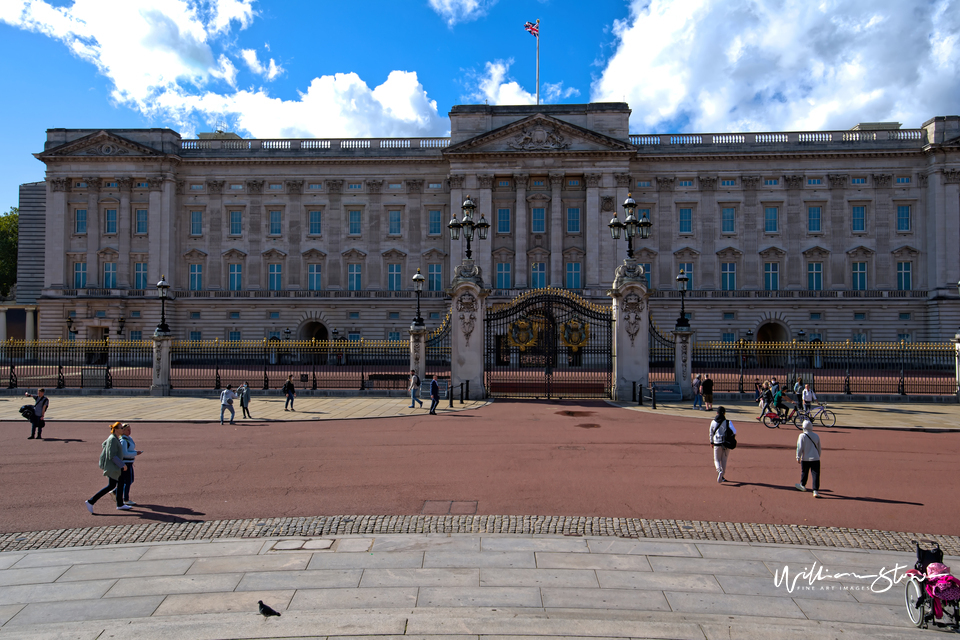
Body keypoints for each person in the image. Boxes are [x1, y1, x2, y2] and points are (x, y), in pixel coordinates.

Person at [85, 422, 131, 512]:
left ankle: (120, 504)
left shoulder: (115, 438)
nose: (123, 429)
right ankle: (91, 501)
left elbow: (104, 445)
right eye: (121, 428)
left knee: (121, 483)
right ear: (116, 429)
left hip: (116, 466)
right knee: (111, 485)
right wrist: (122, 465)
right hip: (114, 467)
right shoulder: (113, 439)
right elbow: (112, 455)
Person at [709, 407, 736, 483]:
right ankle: (723, 476)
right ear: (724, 413)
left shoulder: (713, 422)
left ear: (717, 413)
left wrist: (711, 442)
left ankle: (719, 470)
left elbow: (711, 433)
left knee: (716, 459)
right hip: (726, 443)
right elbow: (734, 431)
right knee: (724, 459)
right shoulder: (728, 422)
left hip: (717, 442)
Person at [795, 419, 822, 497]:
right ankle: (815, 490)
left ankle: (802, 485)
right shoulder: (816, 435)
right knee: (816, 474)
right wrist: (818, 455)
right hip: (816, 458)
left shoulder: (802, 436)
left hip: (806, 458)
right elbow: (819, 448)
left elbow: (799, 447)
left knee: (804, 472)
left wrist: (798, 457)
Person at [118, 423, 142, 506]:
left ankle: (115, 492)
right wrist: (135, 453)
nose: (129, 431)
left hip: (130, 462)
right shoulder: (123, 441)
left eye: (130, 429)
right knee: (128, 481)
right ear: (123, 431)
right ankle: (126, 499)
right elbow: (124, 453)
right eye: (128, 430)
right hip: (126, 463)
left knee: (130, 480)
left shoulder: (129, 438)